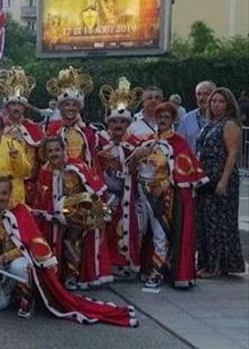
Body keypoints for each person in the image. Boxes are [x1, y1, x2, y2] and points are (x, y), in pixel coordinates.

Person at [0, 179, 137, 326]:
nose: (0, 197)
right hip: (1, 266)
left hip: (22, 261)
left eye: (4, 193)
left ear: (10, 193)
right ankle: (12, 292)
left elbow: (29, 245)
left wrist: (3, 257)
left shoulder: (20, 212)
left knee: (18, 266)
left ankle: (27, 298)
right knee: (0, 305)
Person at [130, 101, 207, 289]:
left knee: (160, 233)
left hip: (164, 197)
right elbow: (131, 168)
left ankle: (157, 272)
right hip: (142, 193)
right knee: (144, 233)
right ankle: (147, 267)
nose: (163, 120)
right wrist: (138, 154)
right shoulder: (146, 141)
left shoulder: (179, 144)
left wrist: (164, 184)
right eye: (160, 117)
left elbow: (184, 173)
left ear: (174, 120)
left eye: (167, 117)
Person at [32, 137, 111, 289]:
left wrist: (99, 211)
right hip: (57, 214)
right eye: (50, 151)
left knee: (74, 239)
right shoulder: (44, 171)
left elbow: (94, 190)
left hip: (80, 211)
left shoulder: (78, 166)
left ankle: (73, 275)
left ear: (63, 150)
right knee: (60, 240)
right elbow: (42, 198)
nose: (54, 154)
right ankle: (62, 274)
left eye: (57, 150)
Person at [96, 79, 145, 276]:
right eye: (114, 121)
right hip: (105, 197)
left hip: (126, 197)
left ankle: (124, 264)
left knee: (127, 228)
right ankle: (104, 265)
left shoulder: (135, 145)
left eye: (123, 121)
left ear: (128, 123)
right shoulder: (99, 142)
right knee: (103, 230)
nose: (118, 125)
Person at [195, 88, 245, 277]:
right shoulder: (210, 123)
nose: (216, 104)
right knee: (205, 223)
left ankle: (216, 266)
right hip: (205, 179)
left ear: (228, 104)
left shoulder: (230, 124)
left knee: (219, 223)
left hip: (220, 178)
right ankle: (207, 262)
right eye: (213, 101)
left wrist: (223, 181)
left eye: (221, 101)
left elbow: (233, 154)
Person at [45, 67, 100, 168]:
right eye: (67, 104)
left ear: (79, 108)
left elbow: (94, 163)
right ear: (60, 107)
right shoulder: (52, 130)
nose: (71, 108)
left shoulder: (88, 131)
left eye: (74, 105)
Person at [178, 80, 215, 152]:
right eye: (199, 94)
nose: (202, 98)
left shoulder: (223, 120)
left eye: (206, 94)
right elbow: (179, 145)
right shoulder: (187, 119)